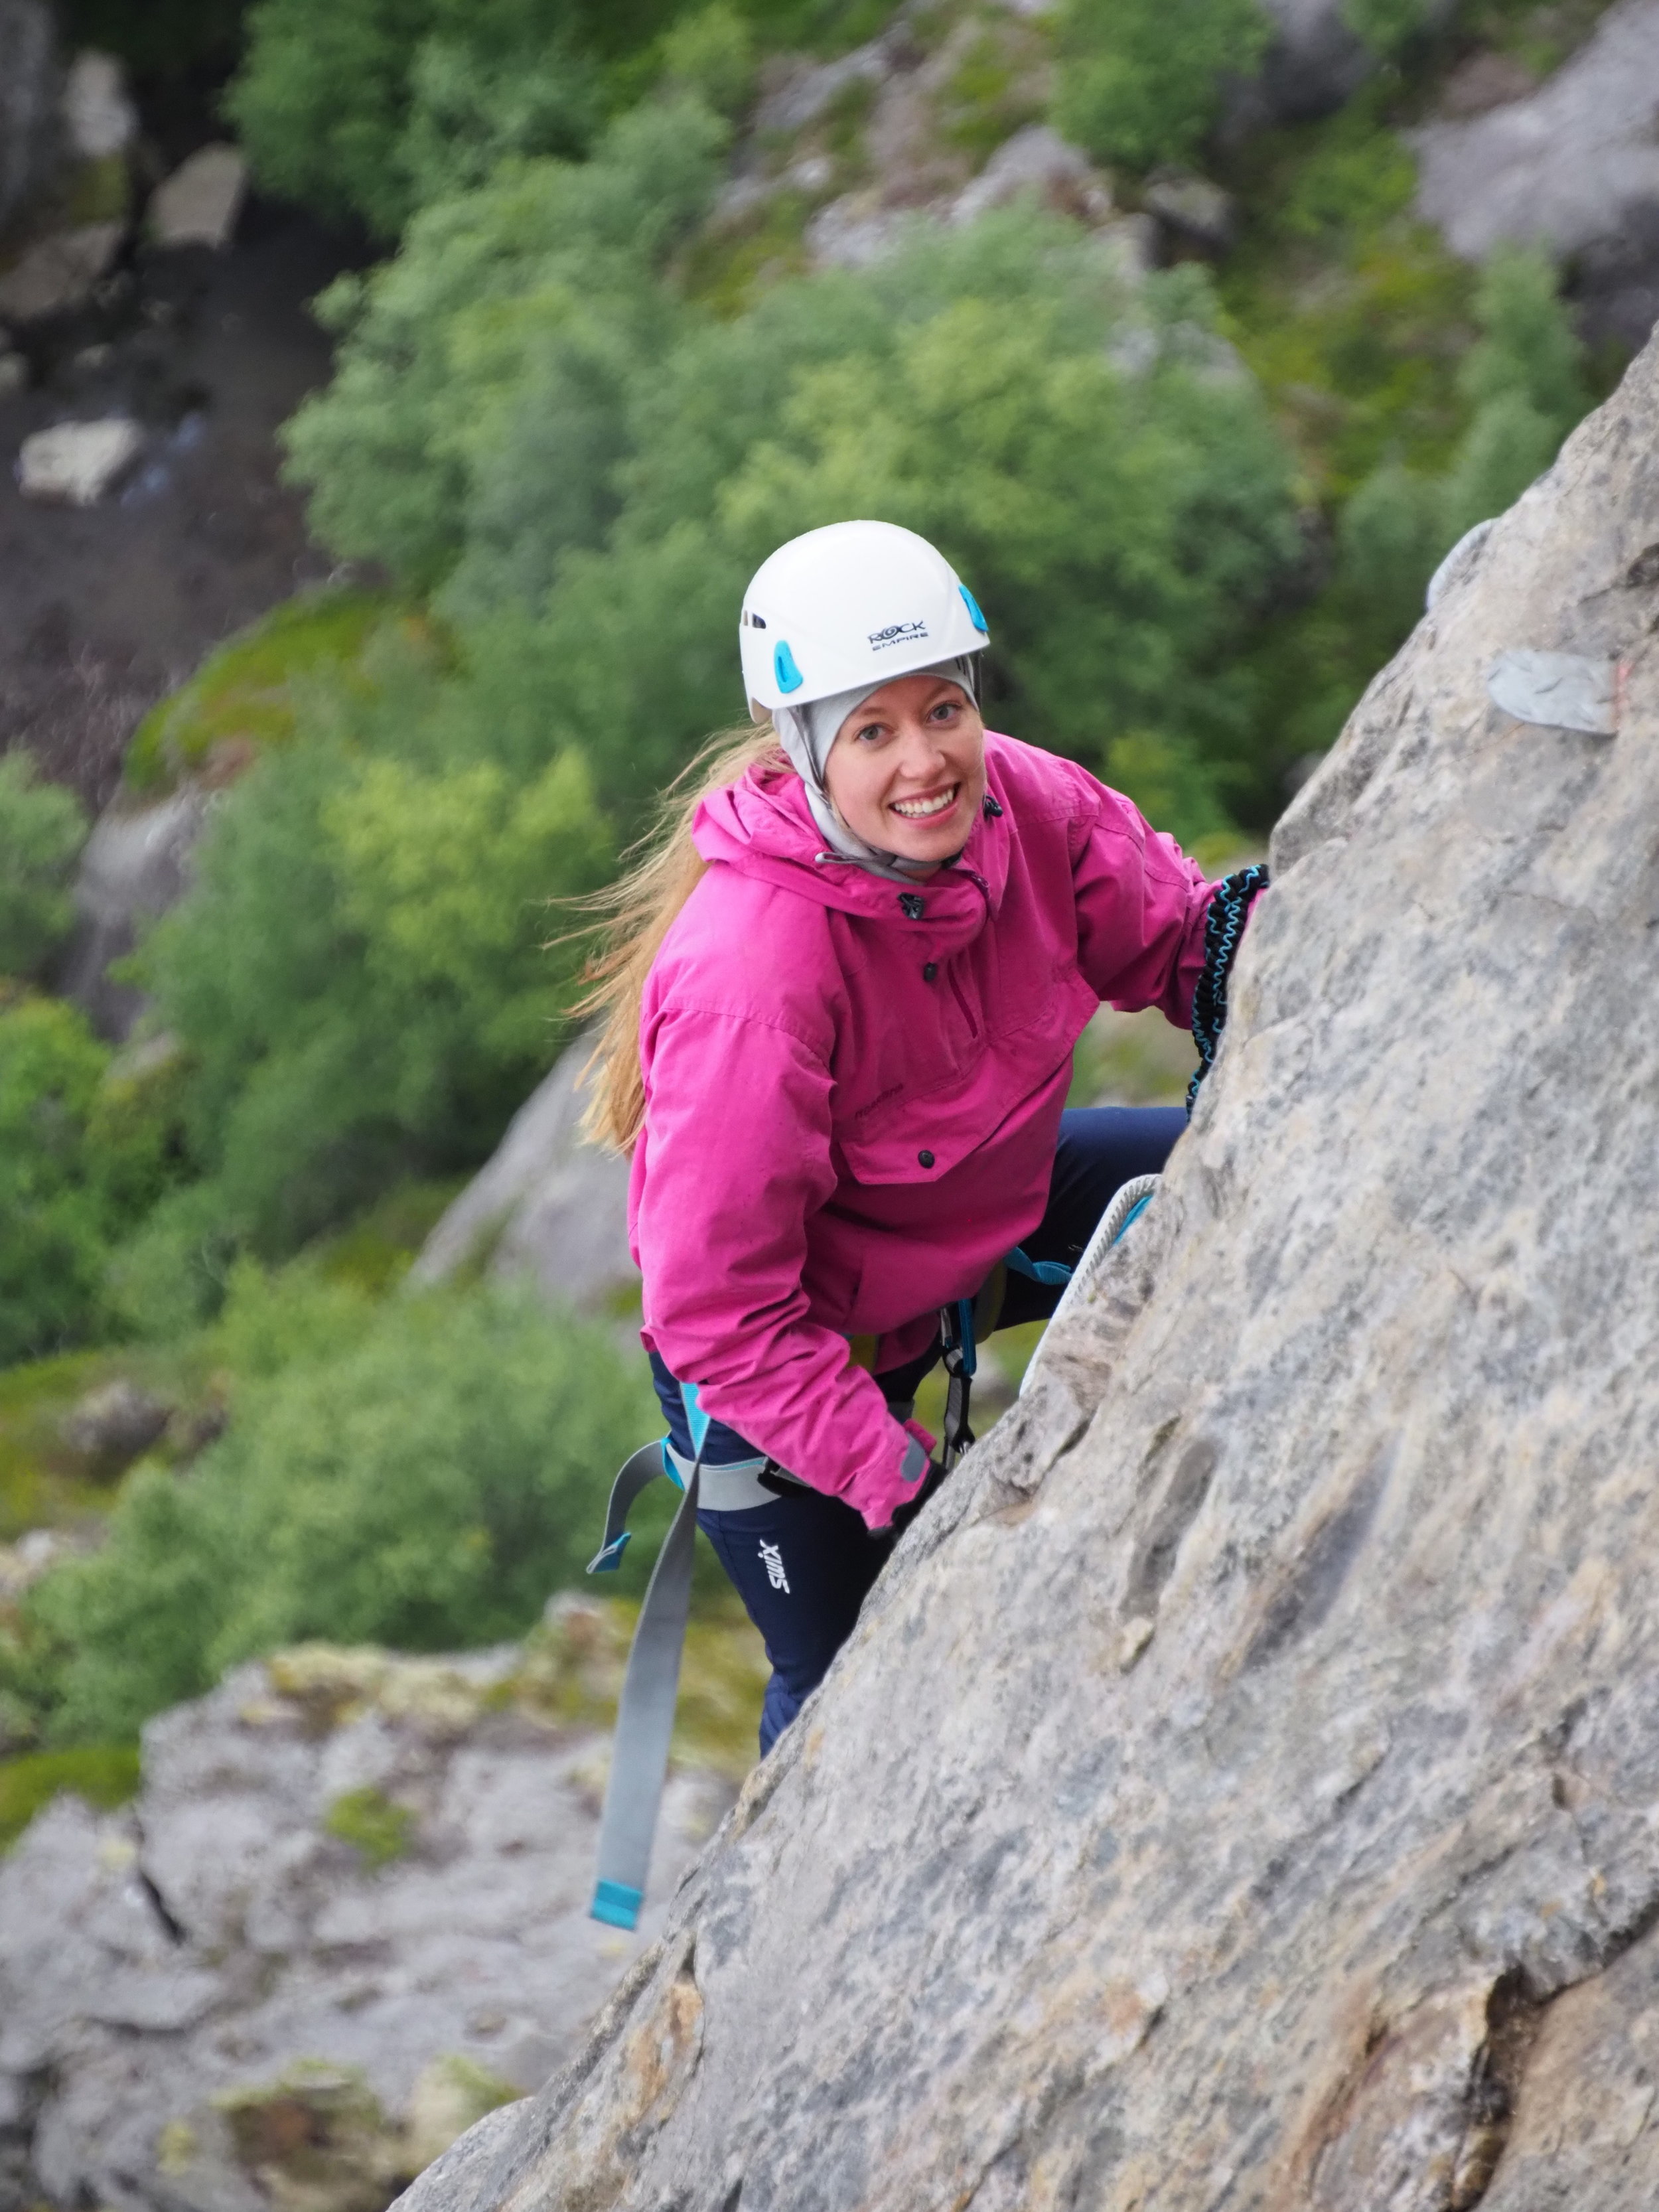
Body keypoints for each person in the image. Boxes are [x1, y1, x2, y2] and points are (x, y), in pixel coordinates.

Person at [579, 520, 1265, 1755]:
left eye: (943, 708)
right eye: (873, 730)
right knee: (846, 1704)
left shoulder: (1027, 809)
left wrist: (1278, 932)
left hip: (963, 1225)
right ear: (804, 751)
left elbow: (1174, 940)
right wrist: (901, 1482)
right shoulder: (755, 976)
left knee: (1246, 1169)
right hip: (779, 1374)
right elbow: (718, 1313)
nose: (926, 761)